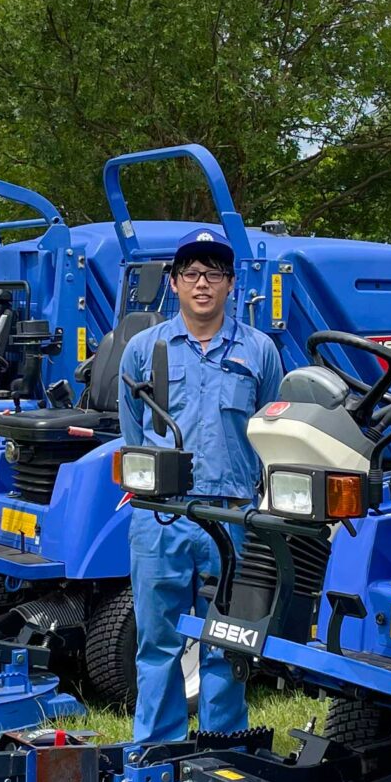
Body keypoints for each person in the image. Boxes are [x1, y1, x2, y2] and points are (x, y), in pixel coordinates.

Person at [115, 228, 281, 742]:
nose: (202, 283)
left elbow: (271, 431)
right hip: (160, 518)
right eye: (191, 272)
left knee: (227, 642)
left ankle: (222, 752)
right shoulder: (144, 350)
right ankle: (156, 751)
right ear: (173, 282)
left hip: (232, 519)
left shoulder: (259, 351)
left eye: (214, 273)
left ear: (232, 283)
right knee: (158, 641)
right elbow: (132, 433)